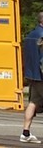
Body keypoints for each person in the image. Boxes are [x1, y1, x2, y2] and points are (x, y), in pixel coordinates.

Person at [22, 10, 43, 139]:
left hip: (32, 75)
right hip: (41, 76)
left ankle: (25, 133)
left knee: (33, 102)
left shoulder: (30, 35)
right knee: (33, 102)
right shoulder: (42, 36)